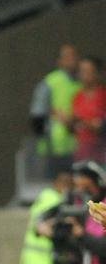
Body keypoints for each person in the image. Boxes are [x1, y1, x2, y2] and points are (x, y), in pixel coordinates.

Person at [29, 44, 81, 175]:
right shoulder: (50, 82)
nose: (73, 60)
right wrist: (45, 141)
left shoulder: (83, 82)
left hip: (78, 146)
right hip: (54, 147)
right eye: (68, 57)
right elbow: (37, 116)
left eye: (75, 56)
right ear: (60, 61)